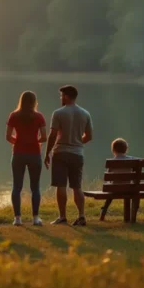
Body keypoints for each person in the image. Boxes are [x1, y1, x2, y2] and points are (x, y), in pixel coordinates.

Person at [45, 85, 93, 226]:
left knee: (61, 185)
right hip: (77, 154)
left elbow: (53, 135)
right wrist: (78, 142)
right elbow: (89, 136)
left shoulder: (58, 113)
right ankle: (81, 216)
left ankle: (62, 216)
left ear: (66, 96)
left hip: (60, 152)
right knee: (77, 186)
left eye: (61, 96)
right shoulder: (85, 114)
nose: (61, 98)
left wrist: (47, 152)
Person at [6, 91, 47, 226]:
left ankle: (17, 218)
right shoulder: (39, 116)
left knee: (16, 187)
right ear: (34, 102)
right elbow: (44, 137)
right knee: (35, 187)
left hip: (18, 154)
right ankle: (35, 218)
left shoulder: (14, 115)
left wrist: (18, 141)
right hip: (34, 154)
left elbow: (8, 137)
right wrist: (36, 142)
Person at [99, 138, 137, 218]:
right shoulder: (132, 160)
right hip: (128, 188)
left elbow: (108, 174)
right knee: (118, 186)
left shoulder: (112, 161)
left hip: (114, 189)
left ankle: (104, 209)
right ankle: (131, 214)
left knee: (111, 190)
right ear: (126, 149)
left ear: (113, 150)